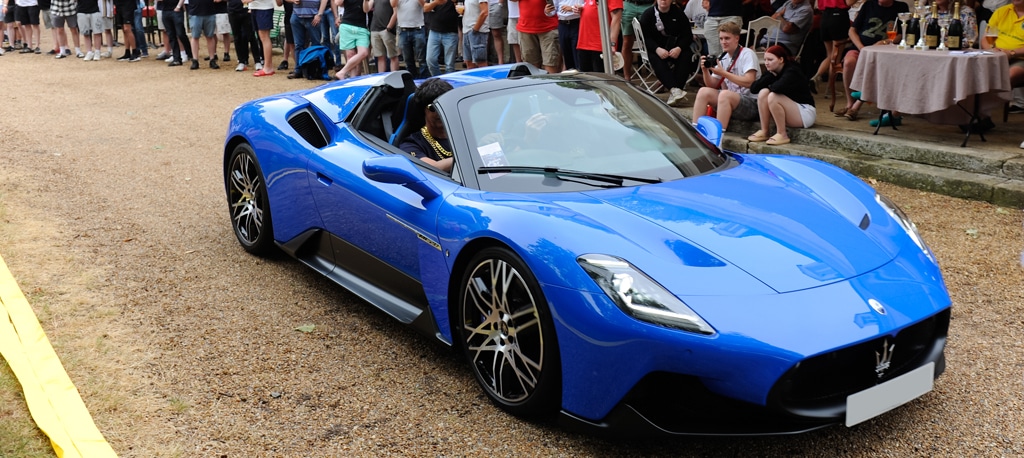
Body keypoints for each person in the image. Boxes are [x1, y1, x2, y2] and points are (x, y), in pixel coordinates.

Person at [835, 0, 906, 120]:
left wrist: (885, 42)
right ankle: (850, 103)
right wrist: (862, 49)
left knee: (876, 67)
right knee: (849, 62)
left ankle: (857, 105)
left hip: (885, 52)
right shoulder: (868, 5)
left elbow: (902, 33)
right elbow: (852, 30)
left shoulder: (901, 7)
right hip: (861, 48)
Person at [692, 20, 760, 130]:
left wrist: (724, 73)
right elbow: (712, 85)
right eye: (721, 38)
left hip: (751, 103)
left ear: (737, 38)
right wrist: (705, 70)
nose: (723, 42)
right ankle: (695, 131)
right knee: (703, 91)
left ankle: (718, 137)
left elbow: (750, 82)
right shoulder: (723, 57)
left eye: (727, 38)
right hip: (730, 101)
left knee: (724, 94)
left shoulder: (747, 54)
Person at [746, 44, 815, 145]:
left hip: (805, 112)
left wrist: (772, 76)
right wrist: (770, 75)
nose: (766, 63)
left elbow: (776, 88)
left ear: (781, 60)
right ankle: (765, 131)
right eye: (765, 60)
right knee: (763, 92)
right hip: (790, 110)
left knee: (773, 96)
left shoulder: (792, 71)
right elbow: (753, 88)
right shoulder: (773, 71)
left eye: (770, 60)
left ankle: (782, 134)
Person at [639, 0, 695, 106]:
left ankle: (676, 90)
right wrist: (657, 49)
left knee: (687, 55)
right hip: (655, 49)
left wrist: (679, 48)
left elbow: (687, 35)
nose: (664, 0)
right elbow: (644, 38)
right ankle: (674, 89)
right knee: (656, 59)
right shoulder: (648, 14)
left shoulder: (678, 13)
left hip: (675, 49)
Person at [399, 78, 456, 172]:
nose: (441, 112)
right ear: (423, 110)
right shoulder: (410, 144)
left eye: (445, 105)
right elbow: (432, 169)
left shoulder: (464, 132)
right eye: (434, 108)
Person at [981, 0, 1024, 89]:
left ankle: (998, 102)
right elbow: (985, 39)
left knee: (1007, 76)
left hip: (1020, 58)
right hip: (996, 56)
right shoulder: (1001, 11)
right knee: (973, 72)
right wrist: (992, 50)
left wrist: (1011, 53)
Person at [810, 0, 855, 84]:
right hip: (839, 17)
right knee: (836, 57)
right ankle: (830, 88)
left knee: (830, 55)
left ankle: (816, 77)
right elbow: (849, 2)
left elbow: (817, 5)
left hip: (824, 17)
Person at [513, 0, 560, 73]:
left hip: (548, 28)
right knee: (531, 65)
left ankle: (551, 83)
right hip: (526, 27)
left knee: (550, 63)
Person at [575, 0, 620, 72]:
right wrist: (581, 10)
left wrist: (612, 44)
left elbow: (616, 18)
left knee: (601, 78)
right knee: (585, 78)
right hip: (584, 43)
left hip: (600, 46)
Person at [285, 0, 327, 78]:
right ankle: (298, 70)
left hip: (313, 17)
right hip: (296, 16)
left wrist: (319, 14)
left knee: (316, 45)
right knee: (298, 45)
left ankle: (315, 70)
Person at [334, 0, 370, 79]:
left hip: (362, 27)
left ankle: (342, 72)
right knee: (350, 55)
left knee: (364, 52)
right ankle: (352, 80)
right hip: (347, 24)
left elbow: (366, 10)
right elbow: (338, 3)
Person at [424, 0, 459, 74]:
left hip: (451, 32)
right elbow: (425, 8)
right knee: (430, 60)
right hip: (434, 31)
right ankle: (437, 81)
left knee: (449, 65)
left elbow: (460, 6)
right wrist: (435, 2)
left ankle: (449, 84)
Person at [228, 0, 263, 71]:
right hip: (233, 11)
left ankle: (257, 61)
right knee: (237, 37)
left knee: (251, 36)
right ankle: (241, 61)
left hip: (246, 11)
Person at [397, 0, 428, 77]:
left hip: (418, 29)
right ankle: (412, 80)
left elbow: (425, 6)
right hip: (403, 29)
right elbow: (392, 4)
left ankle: (425, 80)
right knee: (407, 59)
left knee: (422, 59)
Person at [368, 0, 398, 73]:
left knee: (392, 56)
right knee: (380, 57)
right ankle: (381, 80)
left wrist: (389, 27)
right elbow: (366, 9)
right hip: (375, 29)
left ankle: (394, 80)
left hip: (387, 29)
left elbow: (396, 12)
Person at [249, 0, 278, 75]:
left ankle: (268, 67)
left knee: (264, 37)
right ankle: (268, 65)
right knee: (261, 37)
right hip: (255, 7)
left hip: (264, 8)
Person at [462, 0, 489, 68]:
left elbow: (485, 12)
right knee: (469, 63)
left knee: (480, 63)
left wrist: (475, 29)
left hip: (477, 32)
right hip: (466, 30)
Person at [555, 0, 580, 69]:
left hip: (576, 22)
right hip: (562, 23)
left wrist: (572, 8)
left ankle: (580, 76)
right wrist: (547, 11)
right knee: (566, 54)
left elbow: (585, 5)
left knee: (577, 55)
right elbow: (554, 9)